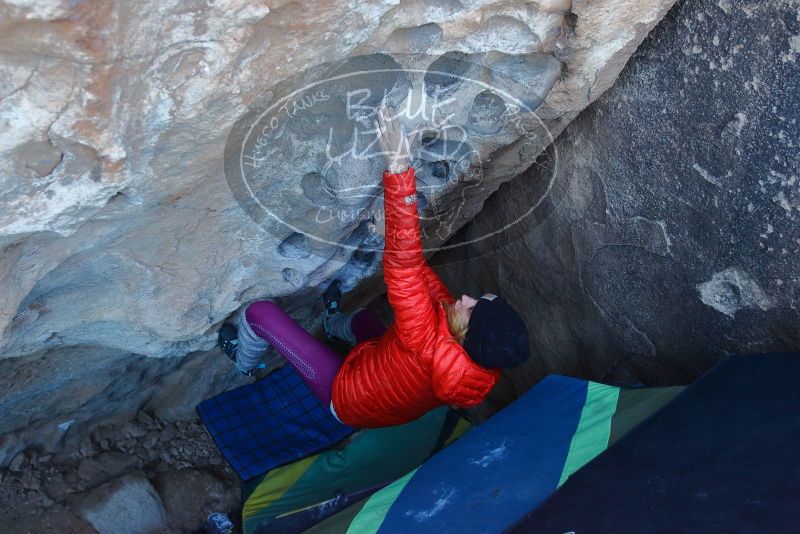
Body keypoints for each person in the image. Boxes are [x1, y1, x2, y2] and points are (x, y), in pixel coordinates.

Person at [217, 104, 530, 428]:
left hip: (348, 399)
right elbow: (420, 277)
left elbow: (405, 269)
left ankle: (245, 363)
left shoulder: (426, 341)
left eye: (471, 310)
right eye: (478, 299)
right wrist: (387, 237)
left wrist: (399, 169)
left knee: (259, 314)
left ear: (465, 335)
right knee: (364, 319)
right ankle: (330, 325)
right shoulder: (476, 363)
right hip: (382, 375)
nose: (466, 298)